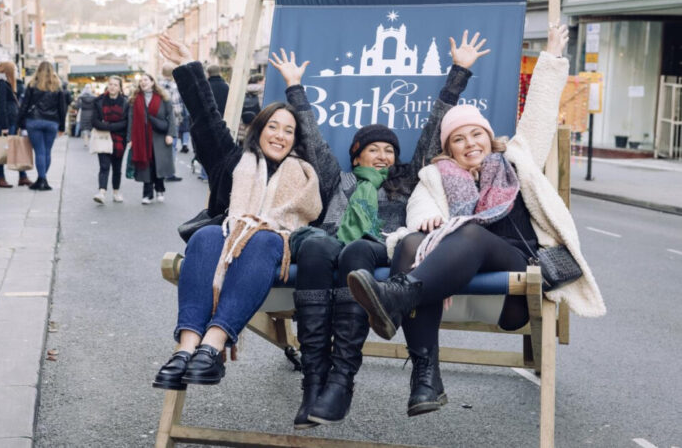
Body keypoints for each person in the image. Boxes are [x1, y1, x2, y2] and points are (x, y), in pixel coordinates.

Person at [347, 25, 606, 417]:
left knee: (468, 230)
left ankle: (397, 296)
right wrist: (430, 219)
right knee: (412, 243)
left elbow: (538, 113)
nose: (470, 144)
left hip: (517, 270)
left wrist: (552, 57)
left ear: (489, 137)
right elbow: (419, 211)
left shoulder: (516, 159)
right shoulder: (435, 175)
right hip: (454, 274)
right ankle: (425, 379)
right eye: (459, 139)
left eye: (476, 135)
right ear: (448, 148)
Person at [268, 31, 488, 429]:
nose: (384, 155)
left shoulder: (405, 180)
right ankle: (314, 379)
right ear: (357, 154)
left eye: (389, 150)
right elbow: (313, 138)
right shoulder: (339, 180)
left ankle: (341, 380)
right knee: (317, 246)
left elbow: (432, 130)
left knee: (355, 253)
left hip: (379, 249)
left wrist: (460, 72)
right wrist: (294, 87)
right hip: (328, 245)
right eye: (375, 149)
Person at [152, 34, 322, 390]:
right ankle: (185, 351)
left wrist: (295, 88)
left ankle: (212, 347)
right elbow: (204, 117)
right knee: (207, 235)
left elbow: (314, 140)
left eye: (288, 131)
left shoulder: (307, 171)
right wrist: (187, 65)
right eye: (271, 127)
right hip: (227, 244)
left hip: (278, 251)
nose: (279, 135)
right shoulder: (234, 162)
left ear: (296, 139)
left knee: (261, 239)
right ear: (258, 131)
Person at [126, 73, 177, 204]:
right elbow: (131, 119)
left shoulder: (163, 97)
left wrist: (170, 134)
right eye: (141, 81)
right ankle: (147, 194)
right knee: (145, 165)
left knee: (157, 164)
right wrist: (130, 138)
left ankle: (159, 189)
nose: (143, 82)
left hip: (160, 137)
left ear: (152, 82)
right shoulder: (135, 99)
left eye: (146, 80)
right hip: (141, 137)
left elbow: (170, 117)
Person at [17, 61, 66, 191]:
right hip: (52, 122)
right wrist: (62, 127)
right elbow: (62, 108)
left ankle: (41, 179)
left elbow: (24, 105)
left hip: (34, 121)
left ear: (38, 70)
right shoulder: (57, 86)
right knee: (47, 151)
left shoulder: (32, 85)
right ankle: (43, 179)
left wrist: (20, 123)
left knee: (39, 151)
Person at [92, 76, 129, 204]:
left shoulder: (126, 102)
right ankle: (101, 192)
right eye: (110, 84)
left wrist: (109, 126)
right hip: (103, 137)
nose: (112, 87)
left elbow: (126, 122)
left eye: (115, 85)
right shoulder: (99, 101)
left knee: (117, 167)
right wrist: (109, 127)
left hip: (120, 139)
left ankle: (116, 191)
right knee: (104, 166)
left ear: (120, 88)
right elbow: (95, 121)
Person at [0, 61, 31, 188]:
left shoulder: (6, 83)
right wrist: (4, 126)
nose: (15, 72)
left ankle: (22, 176)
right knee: (2, 149)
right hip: (7, 122)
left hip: (12, 121)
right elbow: (1, 105)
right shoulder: (1, 84)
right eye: (14, 70)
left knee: (16, 147)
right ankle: (0, 177)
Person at [237, 73, 264, 143]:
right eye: (263, 81)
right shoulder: (263, 92)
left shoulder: (241, 91)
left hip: (242, 127)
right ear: (258, 81)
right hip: (258, 126)